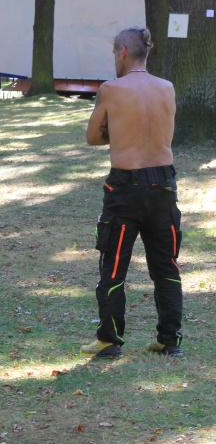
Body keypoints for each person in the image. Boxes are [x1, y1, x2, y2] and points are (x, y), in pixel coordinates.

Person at [81, 26, 182, 359]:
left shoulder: (111, 89)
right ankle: (170, 341)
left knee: (113, 268)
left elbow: (93, 137)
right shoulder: (167, 88)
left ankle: (110, 342)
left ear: (123, 51)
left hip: (126, 187)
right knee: (166, 267)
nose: (114, 59)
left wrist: (121, 133)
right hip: (164, 184)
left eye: (114, 53)